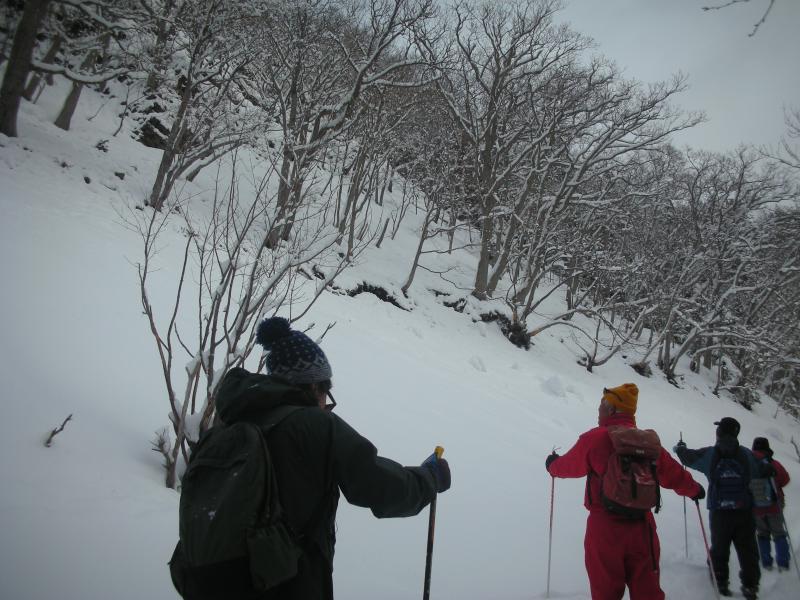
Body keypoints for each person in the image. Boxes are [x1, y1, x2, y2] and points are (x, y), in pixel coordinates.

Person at [178, 316, 451, 600]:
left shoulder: (230, 422)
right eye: (325, 391)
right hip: (284, 583)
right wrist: (429, 479)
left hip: (214, 582)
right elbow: (375, 485)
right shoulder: (313, 425)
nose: (325, 403)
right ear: (312, 386)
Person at [545, 383, 704, 600]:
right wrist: (694, 490)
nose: (598, 409)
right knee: (647, 592)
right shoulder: (647, 443)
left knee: (606, 593)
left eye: (602, 404)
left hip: (605, 529)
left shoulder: (595, 439)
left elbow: (566, 468)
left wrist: (552, 465)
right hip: (643, 528)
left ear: (612, 410)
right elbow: (673, 475)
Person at [674, 417, 769, 599]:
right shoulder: (747, 455)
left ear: (720, 433)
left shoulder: (711, 453)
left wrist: (680, 448)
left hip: (719, 511)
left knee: (719, 547)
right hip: (744, 511)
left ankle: (720, 582)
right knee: (747, 549)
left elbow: (689, 458)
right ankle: (750, 586)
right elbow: (760, 474)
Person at [751, 437, 791, 571]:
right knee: (779, 533)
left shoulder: (749, 463)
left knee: (762, 533)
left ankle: (766, 562)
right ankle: (783, 562)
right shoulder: (774, 464)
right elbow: (785, 479)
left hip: (756, 507)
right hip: (775, 506)